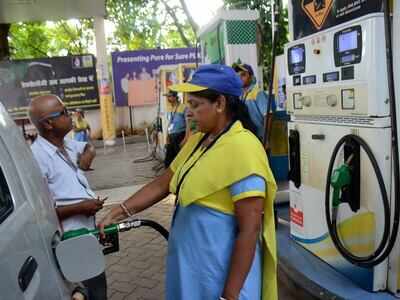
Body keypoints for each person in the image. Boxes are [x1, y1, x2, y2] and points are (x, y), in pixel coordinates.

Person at [98, 64, 278, 300]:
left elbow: (250, 229)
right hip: (195, 272)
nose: (188, 112)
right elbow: (162, 183)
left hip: (220, 277)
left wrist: (230, 295)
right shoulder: (200, 142)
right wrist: (119, 212)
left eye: (195, 104)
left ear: (220, 103)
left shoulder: (244, 149)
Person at [29, 94, 107, 300]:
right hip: (69, 243)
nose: (70, 115)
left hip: (86, 235)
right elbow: (40, 214)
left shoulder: (68, 145)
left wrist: (88, 155)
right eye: (63, 113)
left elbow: (88, 146)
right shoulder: (37, 158)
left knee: (98, 289)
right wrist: (80, 208)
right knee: (92, 293)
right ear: (48, 123)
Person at [233, 63, 274, 141]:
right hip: (246, 138)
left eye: (243, 75)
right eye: (237, 76)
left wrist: (266, 139)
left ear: (251, 77)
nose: (240, 78)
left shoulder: (257, 93)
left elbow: (268, 116)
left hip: (259, 138)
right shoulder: (239, 95)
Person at [164, 90, 187, 167]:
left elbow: (189, 125)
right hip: (171, 136)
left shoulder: (183, 107)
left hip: (180, 136)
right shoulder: (170, 108)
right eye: (167, 96)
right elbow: (169, 123)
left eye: (169, 96)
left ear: (175, 97)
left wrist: (185, 139)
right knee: (168, 161)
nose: (168, 98)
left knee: (180, 159)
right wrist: (167, 136)